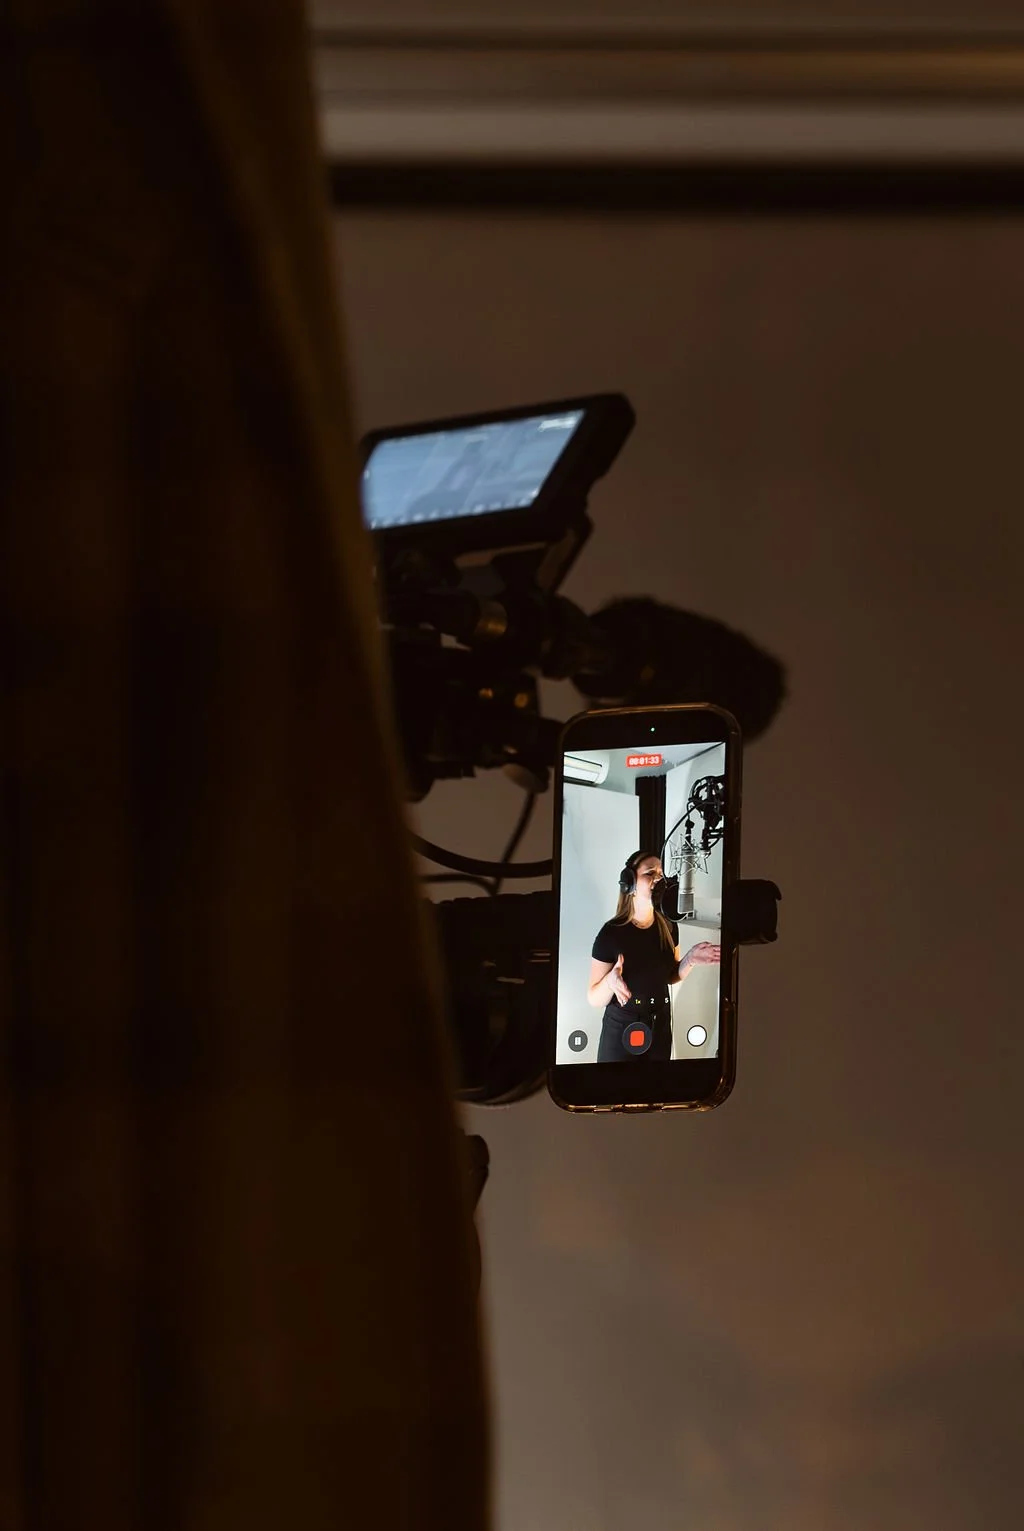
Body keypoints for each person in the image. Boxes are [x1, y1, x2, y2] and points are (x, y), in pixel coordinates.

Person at [588, 850, 721, 1061]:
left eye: (660, 875)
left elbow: (670, 975)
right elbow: (594, 998)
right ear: (630, 884)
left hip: (659, 1026)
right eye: (650, 873)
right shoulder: (610, 933)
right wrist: (610, 982)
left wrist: (690, 959)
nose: (657, 879)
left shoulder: (668, 925)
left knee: (656, 1091)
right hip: (622, 1028)